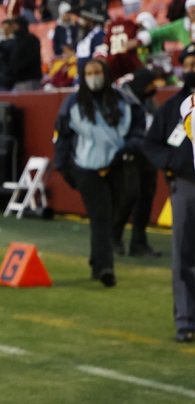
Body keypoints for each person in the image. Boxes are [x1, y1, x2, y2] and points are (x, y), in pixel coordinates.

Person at [54, 58, 144, 287]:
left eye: (98, 72)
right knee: (101, 216)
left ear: (106, 74)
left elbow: (138, 128)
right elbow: (62, 137)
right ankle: (105, 268)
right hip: (87, 167)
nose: (94, 76)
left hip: (118, 165)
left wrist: (128, 149)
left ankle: (97, 260)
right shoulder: (72, 104)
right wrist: (63, 167)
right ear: (83, 77)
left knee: (113, 214)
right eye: (89, 72)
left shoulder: (125, 101)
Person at [139, 44, 195, 341]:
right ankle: (186, 320)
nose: (191, 68)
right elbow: (151, 144)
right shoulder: (173, 107)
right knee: (183, 255)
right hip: (186, 185)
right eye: (187, 63)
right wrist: (171, 162)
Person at [114, 68, 162, 257]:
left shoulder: (149, 102)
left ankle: (139, 242)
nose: (153, 88)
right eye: (150, 84)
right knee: (129, 196)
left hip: (148, 154)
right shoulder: (122, 100)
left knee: (146, 198)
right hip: (129, 154)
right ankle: (114, 237)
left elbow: (157, 122)